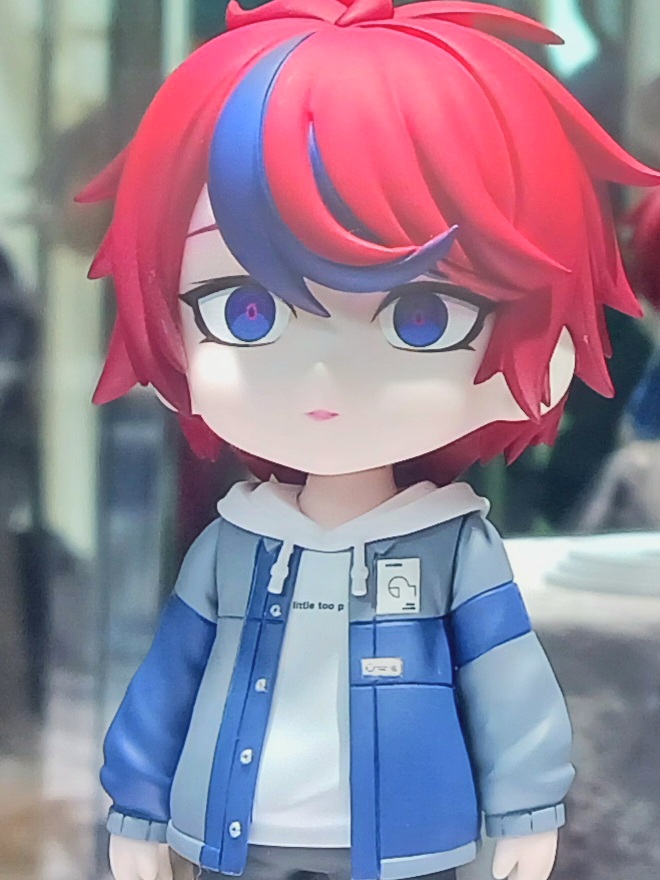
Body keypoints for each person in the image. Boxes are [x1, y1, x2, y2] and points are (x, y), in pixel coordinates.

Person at [77, 2, 659, 879]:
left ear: (541, 350)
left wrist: (528, 807)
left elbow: (508, 685)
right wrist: (137, 807)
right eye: (246, 309)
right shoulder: (235, 545)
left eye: (424, 316)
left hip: (411, 846)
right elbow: (167, 687)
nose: (324, 371)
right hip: (231, 839)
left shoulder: (452, 548)